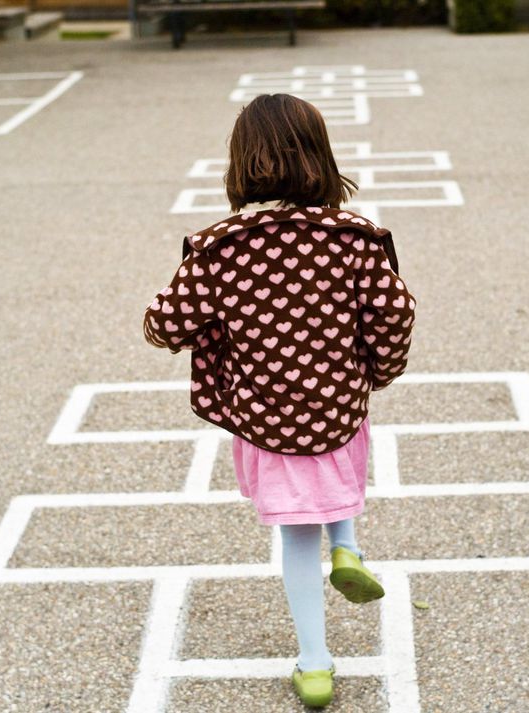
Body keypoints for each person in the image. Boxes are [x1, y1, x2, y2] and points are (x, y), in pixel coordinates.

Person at [143, 93, 416, 708]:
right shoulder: (356, 239)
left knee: (296, 533)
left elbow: (166, 323)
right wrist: (379, 372)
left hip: (267, 417)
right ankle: (346, 544)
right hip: (338, 405)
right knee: (336, 472)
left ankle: (315, 663)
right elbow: (393, 316)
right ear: (320, 157)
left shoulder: (219, 250)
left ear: (240, 164)